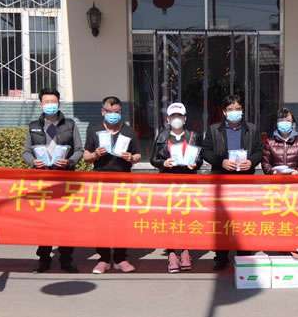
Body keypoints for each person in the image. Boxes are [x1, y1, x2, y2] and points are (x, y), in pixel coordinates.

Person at [23, 88, 83, 273]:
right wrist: (33, 161)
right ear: (41, 104)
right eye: (46, 102)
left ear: (59, 103)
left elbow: (79, 150)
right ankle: (44, 258)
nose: (50, 105)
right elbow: (26, 151)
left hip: (65, 178)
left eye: (53, 101)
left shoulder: (70, 124)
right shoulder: (33, 126)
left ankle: (66, 259)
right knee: (44, 219)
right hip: (43, 179)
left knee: (66, 220)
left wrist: (70, 161)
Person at [201, 93, 263, 270]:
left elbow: (259, 150)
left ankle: (244, 253)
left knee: (244, 217)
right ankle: (221, 256)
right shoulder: (214, 129)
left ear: (242, 110)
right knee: (222, 219)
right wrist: (221, 162)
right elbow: (206, 151)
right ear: (224, 112)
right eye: (230, 109)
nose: (234, 112)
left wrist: (252, 161)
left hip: (244, 181)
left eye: (238, 108)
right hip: (222, 180)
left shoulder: (252, 129)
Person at [83, 96, 141, 274]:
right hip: (100, 183)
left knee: (122, 221)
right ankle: (103, 258)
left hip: (123, 182)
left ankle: (120, 258)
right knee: (101, 221)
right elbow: (86, 156)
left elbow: (138, 155)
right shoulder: (94, 130)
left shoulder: (129, 131)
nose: (113, 115)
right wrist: (95, 154)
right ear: (103, 112)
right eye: (110, 112)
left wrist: (131, 158)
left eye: (117, 112)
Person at [150, 102, 202, 273]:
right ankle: (172, 253)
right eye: (173, 116)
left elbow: (199, 158)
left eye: (179, 116)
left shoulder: (193, 136)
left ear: (185, 118)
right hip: (168, 184)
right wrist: (163, 163)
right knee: (170, 219)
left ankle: (186, 251)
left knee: (187, 217)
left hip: (188, 183)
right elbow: (153, 159)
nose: (176, 119)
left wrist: (195, 164)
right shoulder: (161, 137)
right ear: (168, 119)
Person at [261, 108, 298, 175]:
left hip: (295, 179)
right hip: (275, 179)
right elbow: (265, 163)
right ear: (277, 123)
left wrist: (297, 172)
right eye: (281, 120)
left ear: (293, 123)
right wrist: (273, 172)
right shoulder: (269, 143)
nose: (284, 123)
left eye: (288, 120)